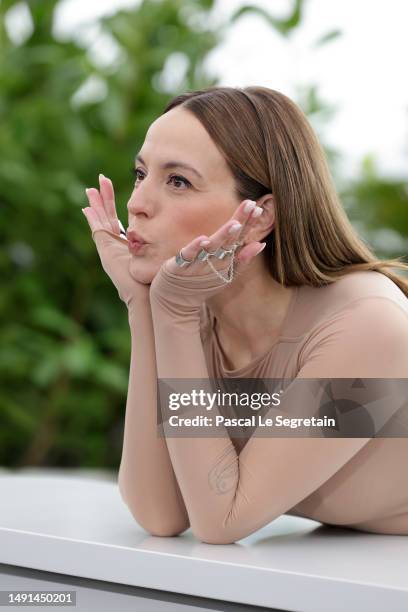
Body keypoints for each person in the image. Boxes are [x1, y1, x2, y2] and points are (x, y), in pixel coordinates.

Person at [82, 86, 408, 544]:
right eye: (141, 173)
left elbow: (223, 520)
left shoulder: (370, 325)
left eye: (178, 181)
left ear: (259, 216)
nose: (137, 204)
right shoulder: (195, 307)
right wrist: (143, 307)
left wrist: (172, 315)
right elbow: (161, 513)